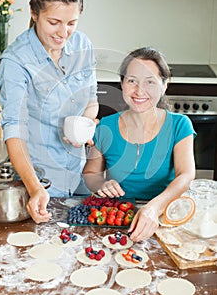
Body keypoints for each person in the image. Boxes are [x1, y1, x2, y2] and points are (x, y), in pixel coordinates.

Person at [0, 0, 98, 224]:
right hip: (40, 181)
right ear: (34, 13)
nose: (63, 33)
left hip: (80, 175)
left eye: (71, 23)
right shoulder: (16, 62)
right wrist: (35, 188)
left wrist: (85, 125)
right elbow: (14, 132)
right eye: (54, 22)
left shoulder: (82, 45)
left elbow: (92, 100)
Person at [83, 47, 196, 242]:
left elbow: (186, 175)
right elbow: (90, 174)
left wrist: (153, 207)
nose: (139, 91)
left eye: (150, 82)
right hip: (118, 219)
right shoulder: (106, 126)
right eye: (132, 81)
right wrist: (103, 184)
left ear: (164, 85)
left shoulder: (179, 124)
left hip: (164, 217)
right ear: (122, 83)